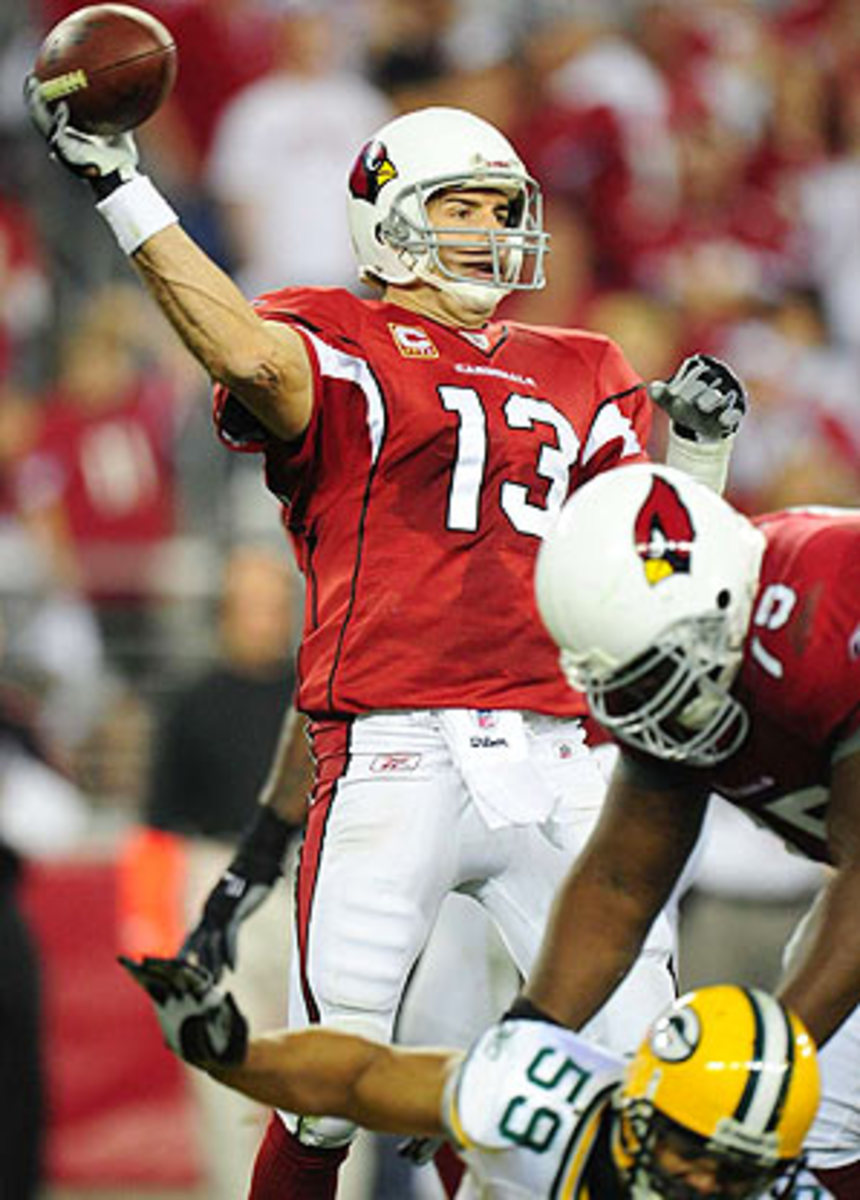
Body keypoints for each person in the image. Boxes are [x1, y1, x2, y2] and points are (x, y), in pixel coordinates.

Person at [24, 83, 748, 1200]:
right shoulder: (334, 329)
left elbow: (650, 568)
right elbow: (252, 360)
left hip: (560, 753)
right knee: (326, 1089)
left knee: (642, 1079)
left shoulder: (586, 366)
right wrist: (124, 188)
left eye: (501, 209)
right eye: (461, 207)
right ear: (390, 217)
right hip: (396, 744)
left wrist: (696, 460)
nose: (491, 231)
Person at [519, 461, 860, 1198]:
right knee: (810, 1128)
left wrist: (753, 1073)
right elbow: (621, 879)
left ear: (722, 599)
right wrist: (527, 1034)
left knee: (774, 1110)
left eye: (655, 672)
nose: (645, 702)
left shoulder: (831, 598)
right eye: (628, 680)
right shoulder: (687, 651)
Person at [122, 955, 821, 1200]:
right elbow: (361, 1079)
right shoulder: (541, 1097)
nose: (707, 1184)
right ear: (639, 1107)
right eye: (693, 1150)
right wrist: (238, 1057)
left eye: (739, 1171)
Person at [142, 544, 302, 1199]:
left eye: (277, 604)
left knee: (329, 1059)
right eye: (253, 604)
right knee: (222, 1058)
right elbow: (160, 822)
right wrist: (155, 923)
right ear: (226, 613)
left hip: (308, 876)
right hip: (217, 873)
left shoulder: (315, 690)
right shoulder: (192, 702)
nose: (267, 618)